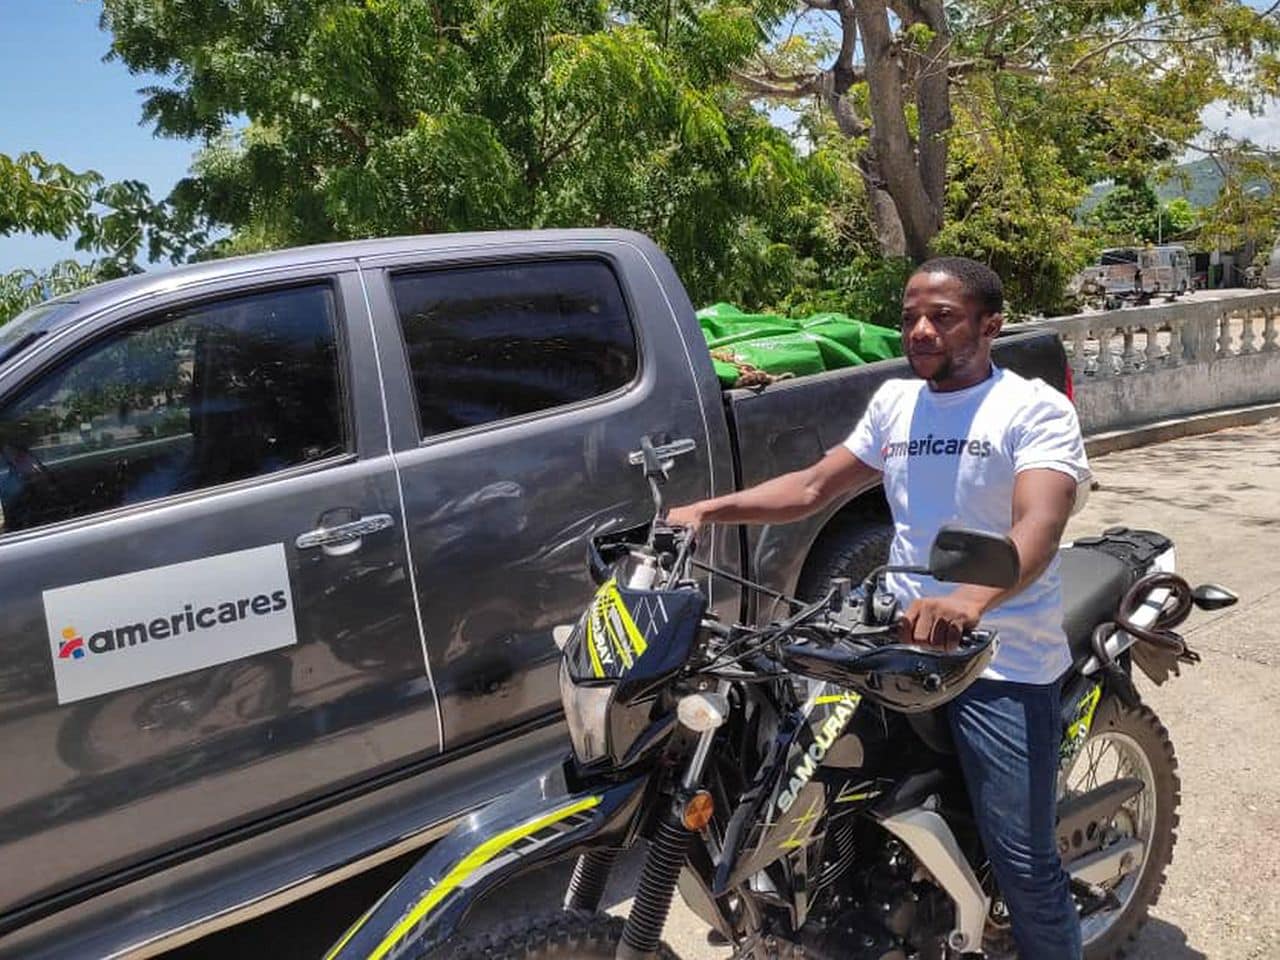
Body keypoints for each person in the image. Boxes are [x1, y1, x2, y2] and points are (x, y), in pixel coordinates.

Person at [667, 257, 1090, 960]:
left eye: (943, 317)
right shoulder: (898, 403)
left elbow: (1037, 529)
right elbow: (810, 488)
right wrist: (705, 512)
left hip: (999, 655)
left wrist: (967, 601)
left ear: (991, 325)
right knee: (817, 789)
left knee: (1024, 861)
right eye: (910, 317)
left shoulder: (1033, 408)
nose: (920, 330)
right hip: (896, 641)